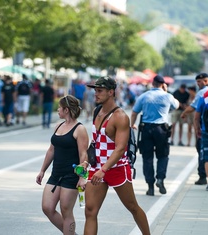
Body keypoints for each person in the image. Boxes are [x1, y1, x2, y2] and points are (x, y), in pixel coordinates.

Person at [85, 76, 150, 235]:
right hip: (97, 167)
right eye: (95, 90)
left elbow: (120, 149)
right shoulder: (97, 111)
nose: (96, 94)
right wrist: (86, 162)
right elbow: (96, 142)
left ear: (110, 92)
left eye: (99, 91)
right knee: (90, 211)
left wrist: (104, 169)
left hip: (116, 168)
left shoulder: (120, 116)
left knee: (132, 207)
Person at [36, 95, 89, 235]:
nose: (58, 109)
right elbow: (51, 150)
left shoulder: (80, 129)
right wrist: (42, 170)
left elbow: (84, 155)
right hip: (56, 174)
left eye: (59, 107)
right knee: (47, 207)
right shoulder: (58, 125)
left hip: (71, 176)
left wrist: (83, 177)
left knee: (66, 210)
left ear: (66, 109)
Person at [131, 75, 179, 196]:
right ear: (163, 84)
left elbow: (134, 112)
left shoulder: (144, 96)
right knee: (163, 156)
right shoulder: (167, 96)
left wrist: (132, 125)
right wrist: (166, 91)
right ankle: (160, 179)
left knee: (147, 158)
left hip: (146, 129)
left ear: (152, 83)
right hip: (161, 129)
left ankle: (150, 186)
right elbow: (177, 105)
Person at [181, 73, 208, 185]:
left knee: (202, 151)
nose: (198, 84)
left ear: (206, 81)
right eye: (197, 82)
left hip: (204, 125)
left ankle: (202, 176)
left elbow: (194, 108)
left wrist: (184, 113)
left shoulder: (202, 93)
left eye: (200, 81)